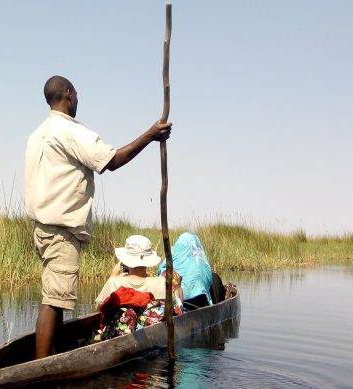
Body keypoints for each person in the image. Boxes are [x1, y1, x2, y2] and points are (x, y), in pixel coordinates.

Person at [24, 75, 172, 359]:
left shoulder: (37, 134)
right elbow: (112, 161)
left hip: (43, 227)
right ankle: (41, 366)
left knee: (55, 297)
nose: (78, 100)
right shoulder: (69, 131)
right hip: (60, 229)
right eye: (77, 94)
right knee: (54, 301)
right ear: (68, 94)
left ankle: (51, 353)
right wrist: (150, 135)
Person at [157, 232, 226, 309]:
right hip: (202, 302)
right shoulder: (206, 268)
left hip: (181, 304)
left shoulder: (174, 259)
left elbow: (160, 271)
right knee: (215, 278)